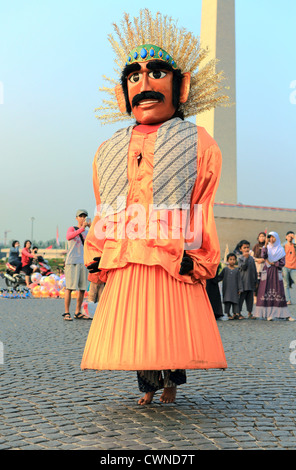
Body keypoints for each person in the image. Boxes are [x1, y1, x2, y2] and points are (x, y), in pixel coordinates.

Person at [80, 9, 228, 405]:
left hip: (170, 256)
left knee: (169, 326)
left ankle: (171, 383)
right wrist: (96, 254)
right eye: (134, 76)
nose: (144, 84)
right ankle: (147, 386)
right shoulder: (106, 150)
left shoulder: (200, 142)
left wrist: (198, 258)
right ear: (122, 91)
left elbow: (202, 206)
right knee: (137, 329)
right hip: (126, 257)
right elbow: (104, 208)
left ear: (181, 87)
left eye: (157, 73)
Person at [253, 231, 294, 321]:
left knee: (279, 292)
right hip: (267, 271)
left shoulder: (280, 249)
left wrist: (274, 263)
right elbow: (263, 256)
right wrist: (265, 245)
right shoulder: (266, 248)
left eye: (273, 237)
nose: (271, 239)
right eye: (270, 237)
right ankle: (267, 314)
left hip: (276, 271)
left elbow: (283, 262)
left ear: (277, 238)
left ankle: (284, 314)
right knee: (265, 291)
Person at [63, 210, 91, 321]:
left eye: (85, 216)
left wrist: (91, 226)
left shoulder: (87, 232)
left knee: (82, 288)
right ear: (76, 218)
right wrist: (82, 228)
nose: (83, 218)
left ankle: (77, 312)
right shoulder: (72, 228)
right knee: (69, 288)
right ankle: (66, 312)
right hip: (71, 261)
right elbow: (69, 237)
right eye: (81, 216)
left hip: (83, 261)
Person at [218, 253, 243, 319]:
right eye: (230, 259)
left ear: (236, 261)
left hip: (235, 289)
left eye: (234, 259)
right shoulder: (225, 269)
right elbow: (220, 277)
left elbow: (239, 280)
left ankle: (235, 314)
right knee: (227, 301)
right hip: (227, 289)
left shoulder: (237, 270)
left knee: (235, 301)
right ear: (227, 260)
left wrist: (240, 289)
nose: (232, 261)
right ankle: (228, 314)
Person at [237, 240, 257, 319]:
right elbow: (243, 267)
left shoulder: (252, 258)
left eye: (247, 247)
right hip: (243, 283)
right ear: (240, 249)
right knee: (241, 299)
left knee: (250, 299)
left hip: (251, 282)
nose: (246, 249)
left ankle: (250, 313)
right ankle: (238, 312)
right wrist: (245, 258)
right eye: (244, 248)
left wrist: (256, 281)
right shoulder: (240, 259)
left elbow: (254, 270)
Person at [252, 232, 266, 303]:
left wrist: (263, 260)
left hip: (264, 266)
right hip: (257, 266)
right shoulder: (256, 246)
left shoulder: (267, 246)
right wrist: (257, 260)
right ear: (258, 238)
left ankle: (262, 297)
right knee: (256, 282)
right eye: (260, 236)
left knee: (263, 282)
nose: (262, 238)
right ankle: (255, 296)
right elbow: (252, 255)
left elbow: (269, 256)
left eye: (263, 236)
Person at [283, 231, 296, 305]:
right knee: (286, 285)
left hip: (294, 268)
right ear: (286, 237)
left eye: (291, 236)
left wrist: (294, 237)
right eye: (288, 236)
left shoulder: (294, 246)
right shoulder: (283, 246)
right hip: (285, 267)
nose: (290, 238)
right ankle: (288, 300)